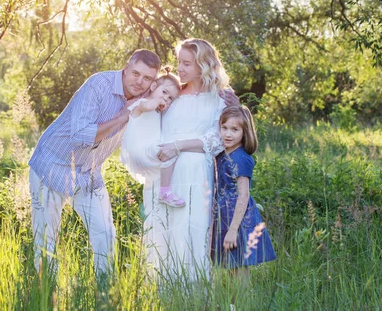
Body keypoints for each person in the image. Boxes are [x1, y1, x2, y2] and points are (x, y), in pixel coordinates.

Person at [28, 49, 160, 276]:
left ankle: (105, 294)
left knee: (105, 234)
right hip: (52, 163)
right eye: (135, 73)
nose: (139, 82)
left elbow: (173, 93)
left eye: (147, 78)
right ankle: (47, 294)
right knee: (46, 238)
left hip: (88, 172)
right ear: (126, 68)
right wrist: (122, 117)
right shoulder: (98, 85)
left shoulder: (145, 99)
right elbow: (80, 135)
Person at [153, 38, 236, 280]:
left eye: (187, 64)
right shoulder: (172, 95)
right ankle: (166, 297)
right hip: (165, 173)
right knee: (164, 234)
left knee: (194, 231)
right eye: (179, 62)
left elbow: (217, 140)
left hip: (198, 173)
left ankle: (195, 296)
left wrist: (178, 146)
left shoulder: (219, 99)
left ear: (203, 65)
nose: (180, 68)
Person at [210, 105, 276, 277]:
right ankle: (232, 305)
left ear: (244, 132)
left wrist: (233, 230)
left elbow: (243, 195)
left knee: (239, 268)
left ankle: (244, 304)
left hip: (238, 219)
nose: (228, 134)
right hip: (223, 214)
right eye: (224, 128)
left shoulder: (241, 158)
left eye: (234, 129)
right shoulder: (221, 153)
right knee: (230, 266)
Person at [120, 69, 186, 207]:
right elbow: (148, 106)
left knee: (170, 153)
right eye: (164, 92)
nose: (165, 99)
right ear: (154, 86)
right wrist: (158, 101)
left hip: (145, 151)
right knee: (170, 149)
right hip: (140, 151)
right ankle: (165, 192)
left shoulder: (156, 110)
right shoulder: (143, 103)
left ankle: (164, 190)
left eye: (170, 98)